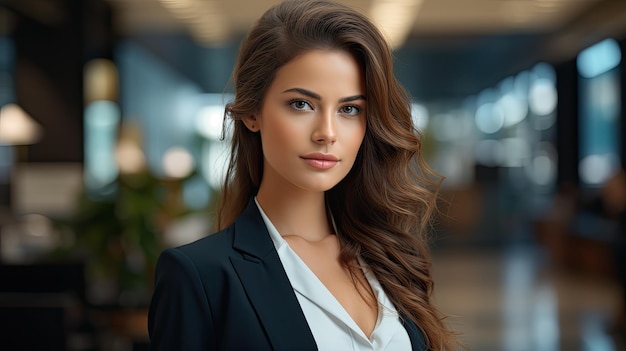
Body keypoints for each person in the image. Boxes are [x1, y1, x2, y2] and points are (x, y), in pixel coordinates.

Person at [148, 0, 458, 350]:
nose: (327, 132)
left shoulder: (390, 257)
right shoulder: (200, 277)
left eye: (349, 109)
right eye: (301, 104)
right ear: (252, 111)